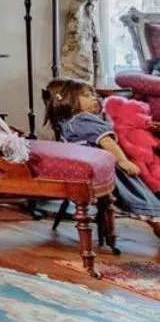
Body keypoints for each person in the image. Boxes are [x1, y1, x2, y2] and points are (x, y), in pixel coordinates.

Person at [45, 77, 160, 238]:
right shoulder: (82, 120)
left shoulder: (69, 122)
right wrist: (122, 160)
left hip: (94, 168)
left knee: (142, 195)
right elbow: (106, 141)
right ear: (69, 101)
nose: (94, 98)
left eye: (92, 94)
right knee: (140, 197)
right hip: (108, 171)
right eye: (86, 96)